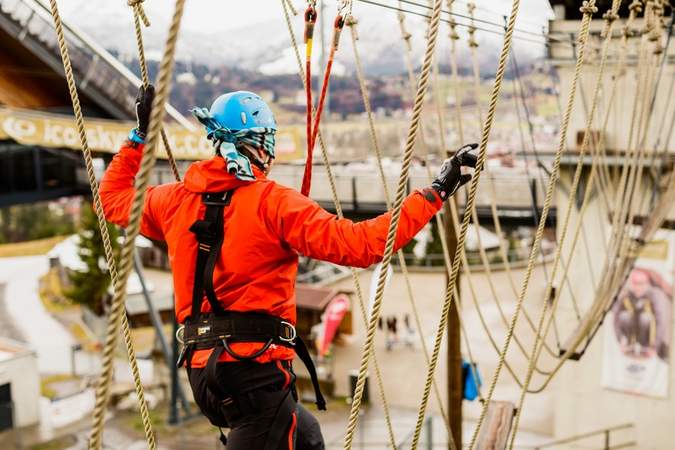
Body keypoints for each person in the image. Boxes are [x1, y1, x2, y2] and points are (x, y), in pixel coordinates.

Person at [100, 85, 477, 449]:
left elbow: (112, 200)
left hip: (203, 375)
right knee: (285, 427)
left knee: (306, 433)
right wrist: (435, 192)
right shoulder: (273, 203)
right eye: (268, 142)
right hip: (255, 372)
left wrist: (139, 138)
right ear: (258, 144)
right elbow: (364, 245)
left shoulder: (173, 201)